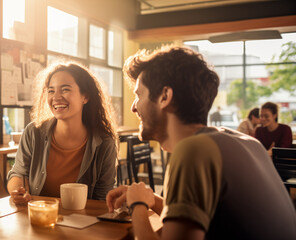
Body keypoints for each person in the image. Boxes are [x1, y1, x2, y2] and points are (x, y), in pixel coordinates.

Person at [106, 46, 296, 240]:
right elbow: (193, 220)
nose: (133, 107)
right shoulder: (247, 143)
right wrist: (150, 199)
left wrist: (137, 205)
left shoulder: (194, 151)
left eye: (139, 95)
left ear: (165, 96)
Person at [7, 62, 117, 203]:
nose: (56, 97)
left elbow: (103, 198)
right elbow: (18, 173)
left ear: (85, 97)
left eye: (65, 90)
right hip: (39, 216)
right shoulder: (33, 132)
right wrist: (18, 191)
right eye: (51, 91)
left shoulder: (104, 143)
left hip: (82, 221)